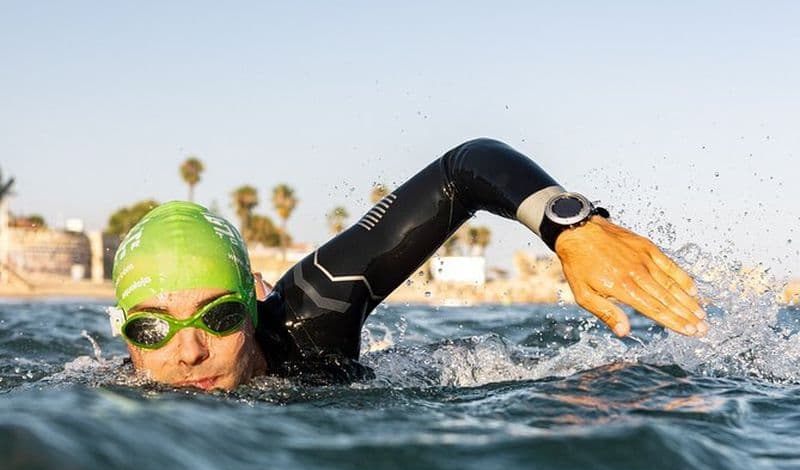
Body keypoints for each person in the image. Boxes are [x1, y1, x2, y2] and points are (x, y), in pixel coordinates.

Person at [110, 138, 707, 390]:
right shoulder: (103, 400)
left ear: (255, 296)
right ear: (125, 333)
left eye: (217, 316)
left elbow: (463, 168)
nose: (187, 353)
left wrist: (571, 226)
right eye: (152, 328)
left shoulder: (311, 311)